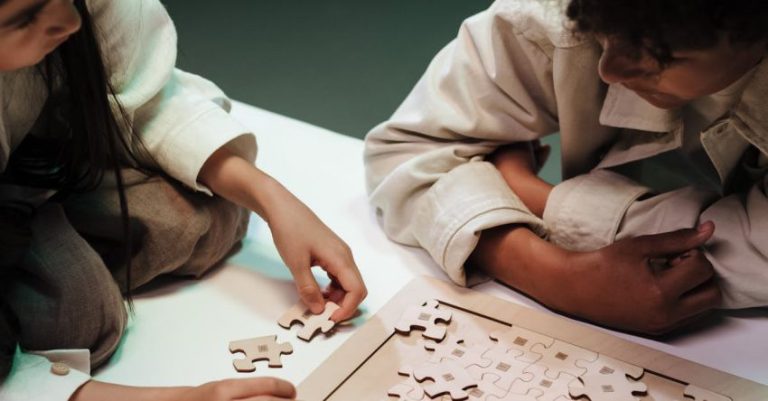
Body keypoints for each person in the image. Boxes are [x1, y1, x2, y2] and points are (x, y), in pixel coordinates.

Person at [0, 0, 366, 400]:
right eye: (24, 17)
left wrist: (275, 199)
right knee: (80, 322)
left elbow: (146, 95)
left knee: (202, 221)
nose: (70, 21)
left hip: (36, 160)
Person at [365, 0, 768, 335]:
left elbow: (750, 258)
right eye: (603, 33)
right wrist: (553, 275)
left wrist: (532, 194)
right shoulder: (560, 11)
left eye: (662, 55)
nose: (610, 68)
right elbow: (406, 150)